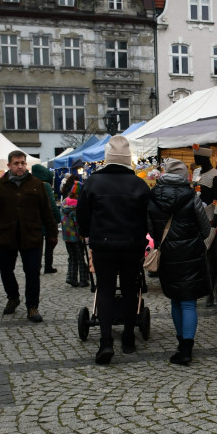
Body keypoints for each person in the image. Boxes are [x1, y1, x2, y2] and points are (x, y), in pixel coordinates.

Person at [76, 136, 151, 364]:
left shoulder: (93, 183)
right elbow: (147, 218)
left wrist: (90, 233)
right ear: (128, 159)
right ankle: (128, 338)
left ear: (107, 158)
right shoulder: (139, 184)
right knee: (130, 290)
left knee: (105, 290)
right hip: (131, 246)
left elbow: (82, 217)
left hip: (103, 246)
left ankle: (106, 341)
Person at [0, 150, 57, 322]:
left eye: (22, 163)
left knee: (33, 272)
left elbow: (46, 211)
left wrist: (52, 232)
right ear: (9, 165)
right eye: (16, 163)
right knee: (5, 270)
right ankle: (13, 297)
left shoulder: (36, 184)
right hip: (7, 235)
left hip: (31, 234)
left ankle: (32, 306)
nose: (20, 167)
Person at [147, 157, 212, 366]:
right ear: (185, 176)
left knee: (175, 299)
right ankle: (186, 347)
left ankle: (180, 341)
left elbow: (150, 228)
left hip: (167, 254)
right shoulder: (191, 196)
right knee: (189, 302)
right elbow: (205, 228)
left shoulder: (153, 196)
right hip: (191, 254)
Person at [194, 148, 217, 307]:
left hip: (210, 219)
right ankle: (200, 288)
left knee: (210, 256)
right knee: (198, 256)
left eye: (196, 155)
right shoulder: (197, 171)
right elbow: (195, 191)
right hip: (196, 219)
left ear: (203, 157)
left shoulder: (215, 176)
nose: (194, 158)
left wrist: (215, 221)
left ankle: (211, 292)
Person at [32, 164, 62, 274]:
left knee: (37, 246)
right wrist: (58, 218)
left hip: (35, 220)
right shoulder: (45, 186)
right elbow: (52, 205)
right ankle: (48, 266)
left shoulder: (31, 184)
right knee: (50, 244)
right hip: (46, 220)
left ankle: (37, 266)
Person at [60, 179, 89, 289]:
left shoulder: (64, 203)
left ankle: (71, 277)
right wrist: (83, 234)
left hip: (67, 236)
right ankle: (83, 280)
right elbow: (78, 223)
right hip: (76, 237)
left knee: (72, 257)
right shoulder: (76, 207)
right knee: (81, 258)